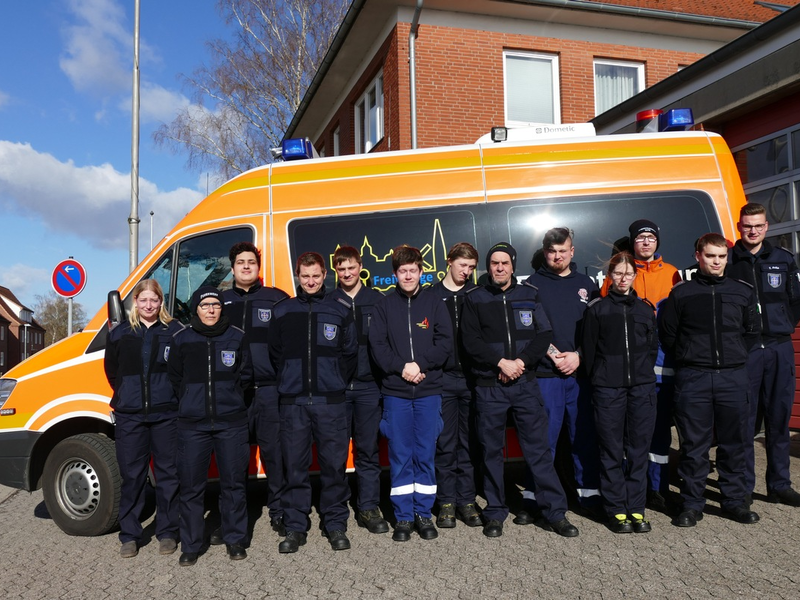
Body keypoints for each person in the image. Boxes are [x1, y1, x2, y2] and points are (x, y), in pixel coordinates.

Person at [460, 242, 578, 539]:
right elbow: (470, 341)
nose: (499, 268)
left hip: (525, 384)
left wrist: (521, 362)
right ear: (489, 267)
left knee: (538, 451)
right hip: (490, 386)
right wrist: (500, 362)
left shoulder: (530, 294)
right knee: (491, 454)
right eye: (494, 263)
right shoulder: (474, 298)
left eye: (505, 263)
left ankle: (554, 512)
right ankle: (496, 511)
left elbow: (544, 334)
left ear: (513, 267)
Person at [659, 233, 761, 527]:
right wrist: (692, 357)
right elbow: (669, 335)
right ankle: (691, 504)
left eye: (721, 256)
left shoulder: (742, 291)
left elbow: (752, 332)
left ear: (727, 258)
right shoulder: (682, 293)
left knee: (736, 443)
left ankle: (734, 502)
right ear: (698, 256)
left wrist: (735, 354)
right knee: (694, 446)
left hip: (733, 377)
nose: (716, 262)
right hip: (694, 378)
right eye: (710, 256)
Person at [269, 252, 357, 553]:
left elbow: (349, 354)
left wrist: (333, 381)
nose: (310, 281)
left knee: (334, 466)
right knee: (295, 467)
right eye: (305, 276)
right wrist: (291, 381)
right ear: (298, 276)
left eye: (316, 276)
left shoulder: (340, 309)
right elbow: (275, 355)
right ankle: (295, 527)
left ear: (324, 276)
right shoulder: (283, 311)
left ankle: (335, 524)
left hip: (330, 402)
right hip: (293, 402)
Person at [368, 245, 453, 542]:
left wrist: (421, 365)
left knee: (425, 454)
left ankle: (423, 514)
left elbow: (445, 342)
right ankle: (403, 517)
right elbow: (377, 346)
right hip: (397, 391)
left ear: (421, 271)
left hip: (428, 390)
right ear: (394, 274)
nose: (407, 275)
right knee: (401, 455)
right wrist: (402, 368)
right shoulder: (383, 307)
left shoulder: (434, 303)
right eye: (402, 271)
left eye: (412, 270)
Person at [518, 227, 601, 524]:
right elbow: (528, 332)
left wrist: (578, 355)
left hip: (579, 375)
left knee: (583, 437)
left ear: (572, 251)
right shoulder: (531, 286)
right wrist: (555, 356)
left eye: (562, 251)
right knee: (543, 441)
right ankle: (534, 499)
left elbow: (596, 330)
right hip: (545, 375)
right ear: (544, 251)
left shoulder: (587, 285)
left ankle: (588, 496)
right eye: (551, 251)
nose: (557, 256)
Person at [168, 286, 253, 566]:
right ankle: (191, 544)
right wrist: (192, 402)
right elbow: (175, 379)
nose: (211, 310)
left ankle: (235, 539)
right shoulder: (181, 339)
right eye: (205, 306)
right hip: (193, 426)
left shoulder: (237, 337)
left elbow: (246, 377)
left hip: (231, 424)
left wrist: (230, 402)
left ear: (222, 307)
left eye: (215, 305)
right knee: (191, 487)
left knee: (234, 484)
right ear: (196, 309)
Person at [603, 219, 682, 511]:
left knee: (659, 434)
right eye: (640, 238)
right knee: (626, 435)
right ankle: (628, 489)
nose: (646, 243)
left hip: (662, 369)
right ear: (632, 243)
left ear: (657, 242)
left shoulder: (673, 274)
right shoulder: (621, 272)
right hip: (627, 370)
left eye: (651, 237)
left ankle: (658, 489)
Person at [727, 203, 800, 507]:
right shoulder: (730, 261)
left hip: (779, 347)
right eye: (747, 226)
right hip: (746, 350)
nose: (752, 231)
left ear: (766, 227)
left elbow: (796, 300)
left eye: (758, 225)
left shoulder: (784, 259)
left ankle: (779, 484)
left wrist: (782, 326)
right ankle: (743, 486)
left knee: (779, 417)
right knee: (745, 421)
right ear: (739, 227)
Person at [104, 279, 184, 558]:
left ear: (161, 302)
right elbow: (112, 371)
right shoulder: (120, 333)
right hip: (130, 415)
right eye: (143, 300)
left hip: (166, 414)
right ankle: (130, 535)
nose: (149, 305)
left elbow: (181, 372)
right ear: (135, 303)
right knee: (132, 476)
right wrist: (128, 394)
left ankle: (167, 531)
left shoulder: (175, 332)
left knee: (168, 476)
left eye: (154, 300)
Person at [582, 252, 658, 533]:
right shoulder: (597, 310)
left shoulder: (644, 309)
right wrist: (602, 378)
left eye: (628, 274)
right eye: (618, 274)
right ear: (609, 277)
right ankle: (615, 510)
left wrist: (641, 374)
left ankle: (636, 509)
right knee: (611, 450)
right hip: (608, 389)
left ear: (635, 276)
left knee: (639, 449)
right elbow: (589, 353)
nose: (623, 279)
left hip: (641, 388)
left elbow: (652, 348)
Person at [219, 242, 290, 541]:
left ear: (258, 267)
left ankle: (279, 513)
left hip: (270, 391)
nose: (246, 266)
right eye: (240, 262)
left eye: (251, 262)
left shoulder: (277, 299)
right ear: (232, 267)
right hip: (234, 394)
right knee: (234, 461)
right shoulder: (219, 303)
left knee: (275, 456)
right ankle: (233, 521)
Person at [330, 246, 390, 534]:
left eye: (351, 267)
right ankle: (337, 510)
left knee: (367, 452)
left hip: (368, 388)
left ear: (360, 266)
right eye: (341, 269)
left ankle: (368, 507)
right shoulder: (330, 302)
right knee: (337, 454)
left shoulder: (378, 301)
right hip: (338, 391)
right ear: (335, 271)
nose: (347, 273)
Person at [429, 242, 483, 528]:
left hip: (472, 379)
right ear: (449, 262)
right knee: (445, 443)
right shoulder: (431, 296)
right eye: (463, 265)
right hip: (444, 379)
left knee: (469, 442)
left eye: (472, 267)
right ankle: (446, 501)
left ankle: (467, 500)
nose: (467, 272)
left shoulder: (476, 294)